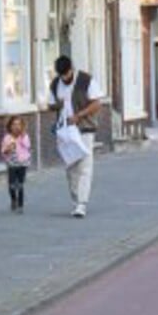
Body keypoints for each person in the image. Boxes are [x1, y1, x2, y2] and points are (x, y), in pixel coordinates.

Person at [49, 55, 101, 218]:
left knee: (85, 165)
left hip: (84, 128)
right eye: (61, 75)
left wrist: (79, 115)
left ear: (72, 69)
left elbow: (97, 103)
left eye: (66, 74)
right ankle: (76, 198)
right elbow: (51, 105)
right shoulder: (55, 83)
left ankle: (82, 204)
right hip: (65, 131)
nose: (64, 78)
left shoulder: (86, 80)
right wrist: (56, 104)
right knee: (70, 166)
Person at [1, 115, 32, 213]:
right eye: (14, 124)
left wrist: (22, 138)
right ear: (10, 126)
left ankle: (20, 205)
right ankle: (13, 199)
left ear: (22, 126)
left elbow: (27, 146)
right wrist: (8, 149)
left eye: (19, 124)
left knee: (20, 184)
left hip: (23, 163)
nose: (16, 126)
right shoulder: (7, 137)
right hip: (11, 163)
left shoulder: (25, 136)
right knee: (11, 185)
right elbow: (3, 151)